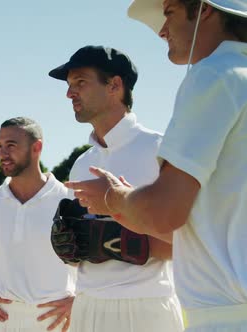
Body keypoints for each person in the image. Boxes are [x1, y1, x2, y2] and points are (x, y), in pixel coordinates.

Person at [65, 1, 247, 330]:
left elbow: (165, 214)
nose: (162, 29)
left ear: (205, 9)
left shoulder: (215, 74)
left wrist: (112, 201)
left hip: (222, 314)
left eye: (169, 13)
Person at [48, 45, 183, 332]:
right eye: (70, 85)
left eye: (80, 82)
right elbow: (83, 249)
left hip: (145, 307)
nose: (70, 93)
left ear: (115, 85)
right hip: (88, 305)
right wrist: (75, 247)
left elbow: (190, 239)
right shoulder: (82, 164)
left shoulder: (160, 150)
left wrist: (116, 237)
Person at [0, 117, 76, 332]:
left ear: (36, 147)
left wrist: (79, 301)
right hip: (2, 322)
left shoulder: (70, 201)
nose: (3, 154)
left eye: (11, 146)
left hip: (57, 322)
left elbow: (97, 264)